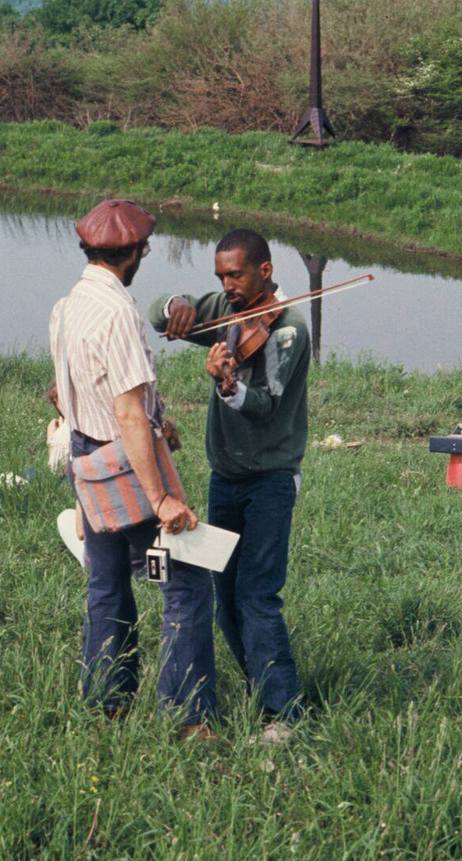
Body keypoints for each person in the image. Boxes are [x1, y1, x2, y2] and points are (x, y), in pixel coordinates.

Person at [48, 199, 216, 740]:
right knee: (184, 580)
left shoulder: (69, 305)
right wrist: (162, 499)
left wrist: (158, 416)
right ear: (137, 253)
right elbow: (127, 414)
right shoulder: (118, 314)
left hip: (86, 460)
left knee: (107, 582)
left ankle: (107, 702)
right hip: (125, 473)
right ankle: (186, 715)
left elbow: (66, 396)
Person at [150, 229, 310, 744]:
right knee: (224, 594)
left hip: (270, 480)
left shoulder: (288, 330)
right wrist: (172, 305)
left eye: (235, 275)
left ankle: (285, 713)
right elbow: (160, 312)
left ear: (264, 271)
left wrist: (229, 383)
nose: (227, 285)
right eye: (220, 276)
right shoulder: (225, 305)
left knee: (257, 594)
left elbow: (265, 407)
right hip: (226, 477)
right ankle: (261, 683)